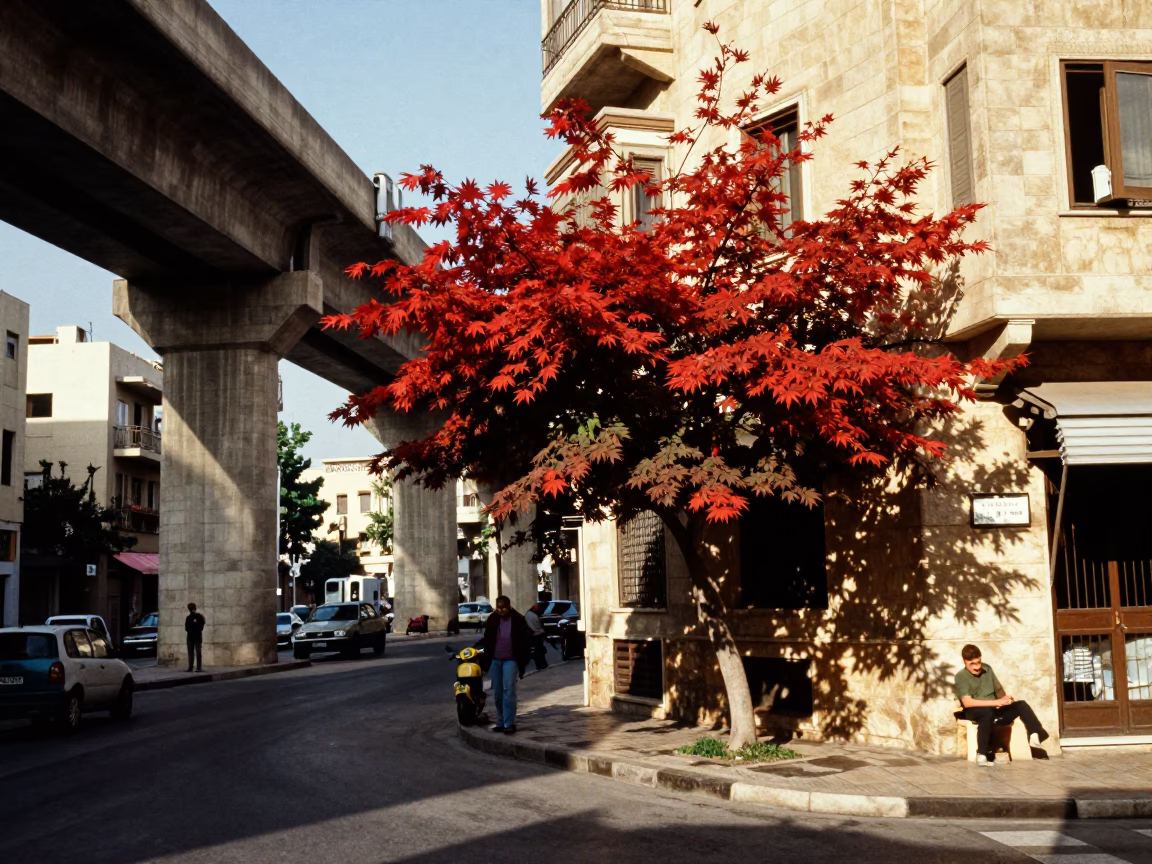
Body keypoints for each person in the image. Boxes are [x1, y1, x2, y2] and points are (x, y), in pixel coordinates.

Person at [955, 643, 1049, 765]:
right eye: (972, 664)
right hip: (974, 710)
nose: (977, 667)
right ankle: (982, 754)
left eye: (978, 662)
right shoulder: (960, 676)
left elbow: (998, 690)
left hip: (994, 709)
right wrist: (997, 702)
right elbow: (967, 703)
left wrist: (1006, 700)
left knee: (1021, 704)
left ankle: (1035, 734)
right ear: (964, 662)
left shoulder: (987, 669)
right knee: (987, 713)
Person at [481, 595, 531, 735]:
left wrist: (523, 661)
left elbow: (525, 642)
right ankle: (501, 722)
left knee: (508, 691)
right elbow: (487, 639)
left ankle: (509, 724)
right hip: (495, 660)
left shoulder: (518, 620)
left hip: (511, 660)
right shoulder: (492, 619)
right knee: (498, 694)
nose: (501, 610)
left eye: (503, 607)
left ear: (509, 606)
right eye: (498, 607)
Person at [525, 602, 548, 671]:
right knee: (538, 652)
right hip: (535, 634)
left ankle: (541, 665)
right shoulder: (532, 614)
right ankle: (541, 666)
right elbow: (537, 626)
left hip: (534, 634)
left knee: (539, 651)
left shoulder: (530, 613)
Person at [185, 602, 206, 672]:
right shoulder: (199, 616)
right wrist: (199, 629)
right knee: (198, 653)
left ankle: (190, 667)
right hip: (197, 636)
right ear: (195, 608)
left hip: (190, 637)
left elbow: (186, 628)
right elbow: (203, 623)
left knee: (191, 653)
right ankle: (198, 667)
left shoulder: (188, 617)